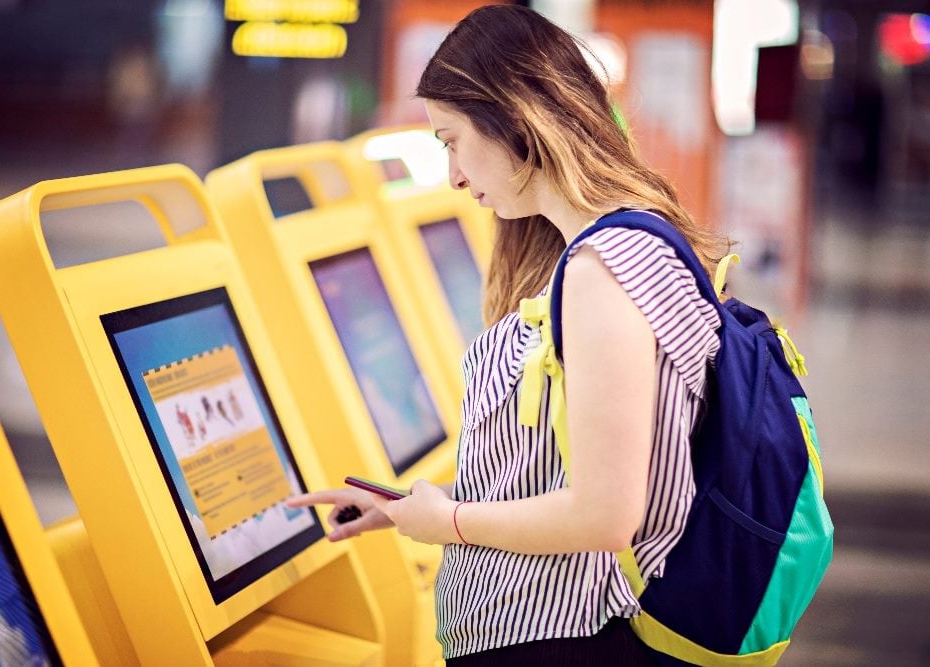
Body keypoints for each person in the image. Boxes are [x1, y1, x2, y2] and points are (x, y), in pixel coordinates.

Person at [287, 5, 728, 665]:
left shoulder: (601, 270)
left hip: (574, 642)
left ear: (517, 120)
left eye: (452, 141)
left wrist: (449, 524)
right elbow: (566, 463)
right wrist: (411, 507)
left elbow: (605, 514)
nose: (454, 176)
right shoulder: (608, 244)